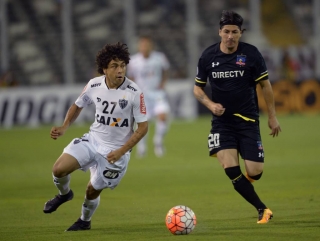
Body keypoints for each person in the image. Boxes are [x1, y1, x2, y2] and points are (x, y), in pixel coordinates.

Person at [43, 42, 148, 231]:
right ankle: (64, 194)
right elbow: (78, 105)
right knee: (58, 169)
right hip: (93, 140)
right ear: (104, 69)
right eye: (114, 66)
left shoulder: (134, 92)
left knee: (92, 190)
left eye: (123, 65)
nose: (120, 70)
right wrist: (65, 126)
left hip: (116, 152)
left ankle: (84, 220)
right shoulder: (94, 84)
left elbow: (143, 128)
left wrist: (121, 150)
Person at [193, 10, 281, 224]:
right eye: (226, 31)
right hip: (222, 124)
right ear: (219, 32)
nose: (230, 36)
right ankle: (262, 209)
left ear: (241, 33)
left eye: (234, 32)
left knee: (255, 171)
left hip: (248, 121)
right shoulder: (208, 56)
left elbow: (265, 86)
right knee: (231, 169)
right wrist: (210, 104)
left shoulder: (251, 54)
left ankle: (245, 181)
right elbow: (197, 89)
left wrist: (272, 116)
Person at [127, 35, 170, 158]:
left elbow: (165, 71)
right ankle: (142, 147)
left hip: (157, 93)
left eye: (147, 44)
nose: (145, 47)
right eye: (143, 44)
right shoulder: (133, 61)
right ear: (139, 46)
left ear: (151, 46)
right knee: (143, 123)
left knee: (163, 116)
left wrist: (162, 83)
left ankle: (158, 141)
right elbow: (130, 76)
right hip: (142, 96)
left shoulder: (159, 57)